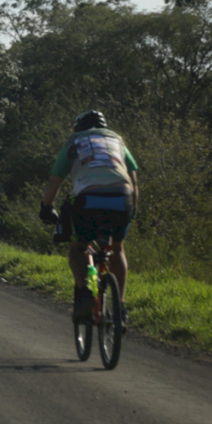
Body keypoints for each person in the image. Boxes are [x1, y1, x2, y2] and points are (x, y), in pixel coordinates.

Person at [39, 110, 138, 321]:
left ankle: (84, 291)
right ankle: (120, 307)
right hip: (122, 197)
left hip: (88, 199)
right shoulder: (117, 140)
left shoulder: (74, 142)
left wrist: (46, 207)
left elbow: (55, 182)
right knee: (117, 248)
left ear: (78, 128)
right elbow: (134, 181)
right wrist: (132, 209)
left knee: (78, 247)